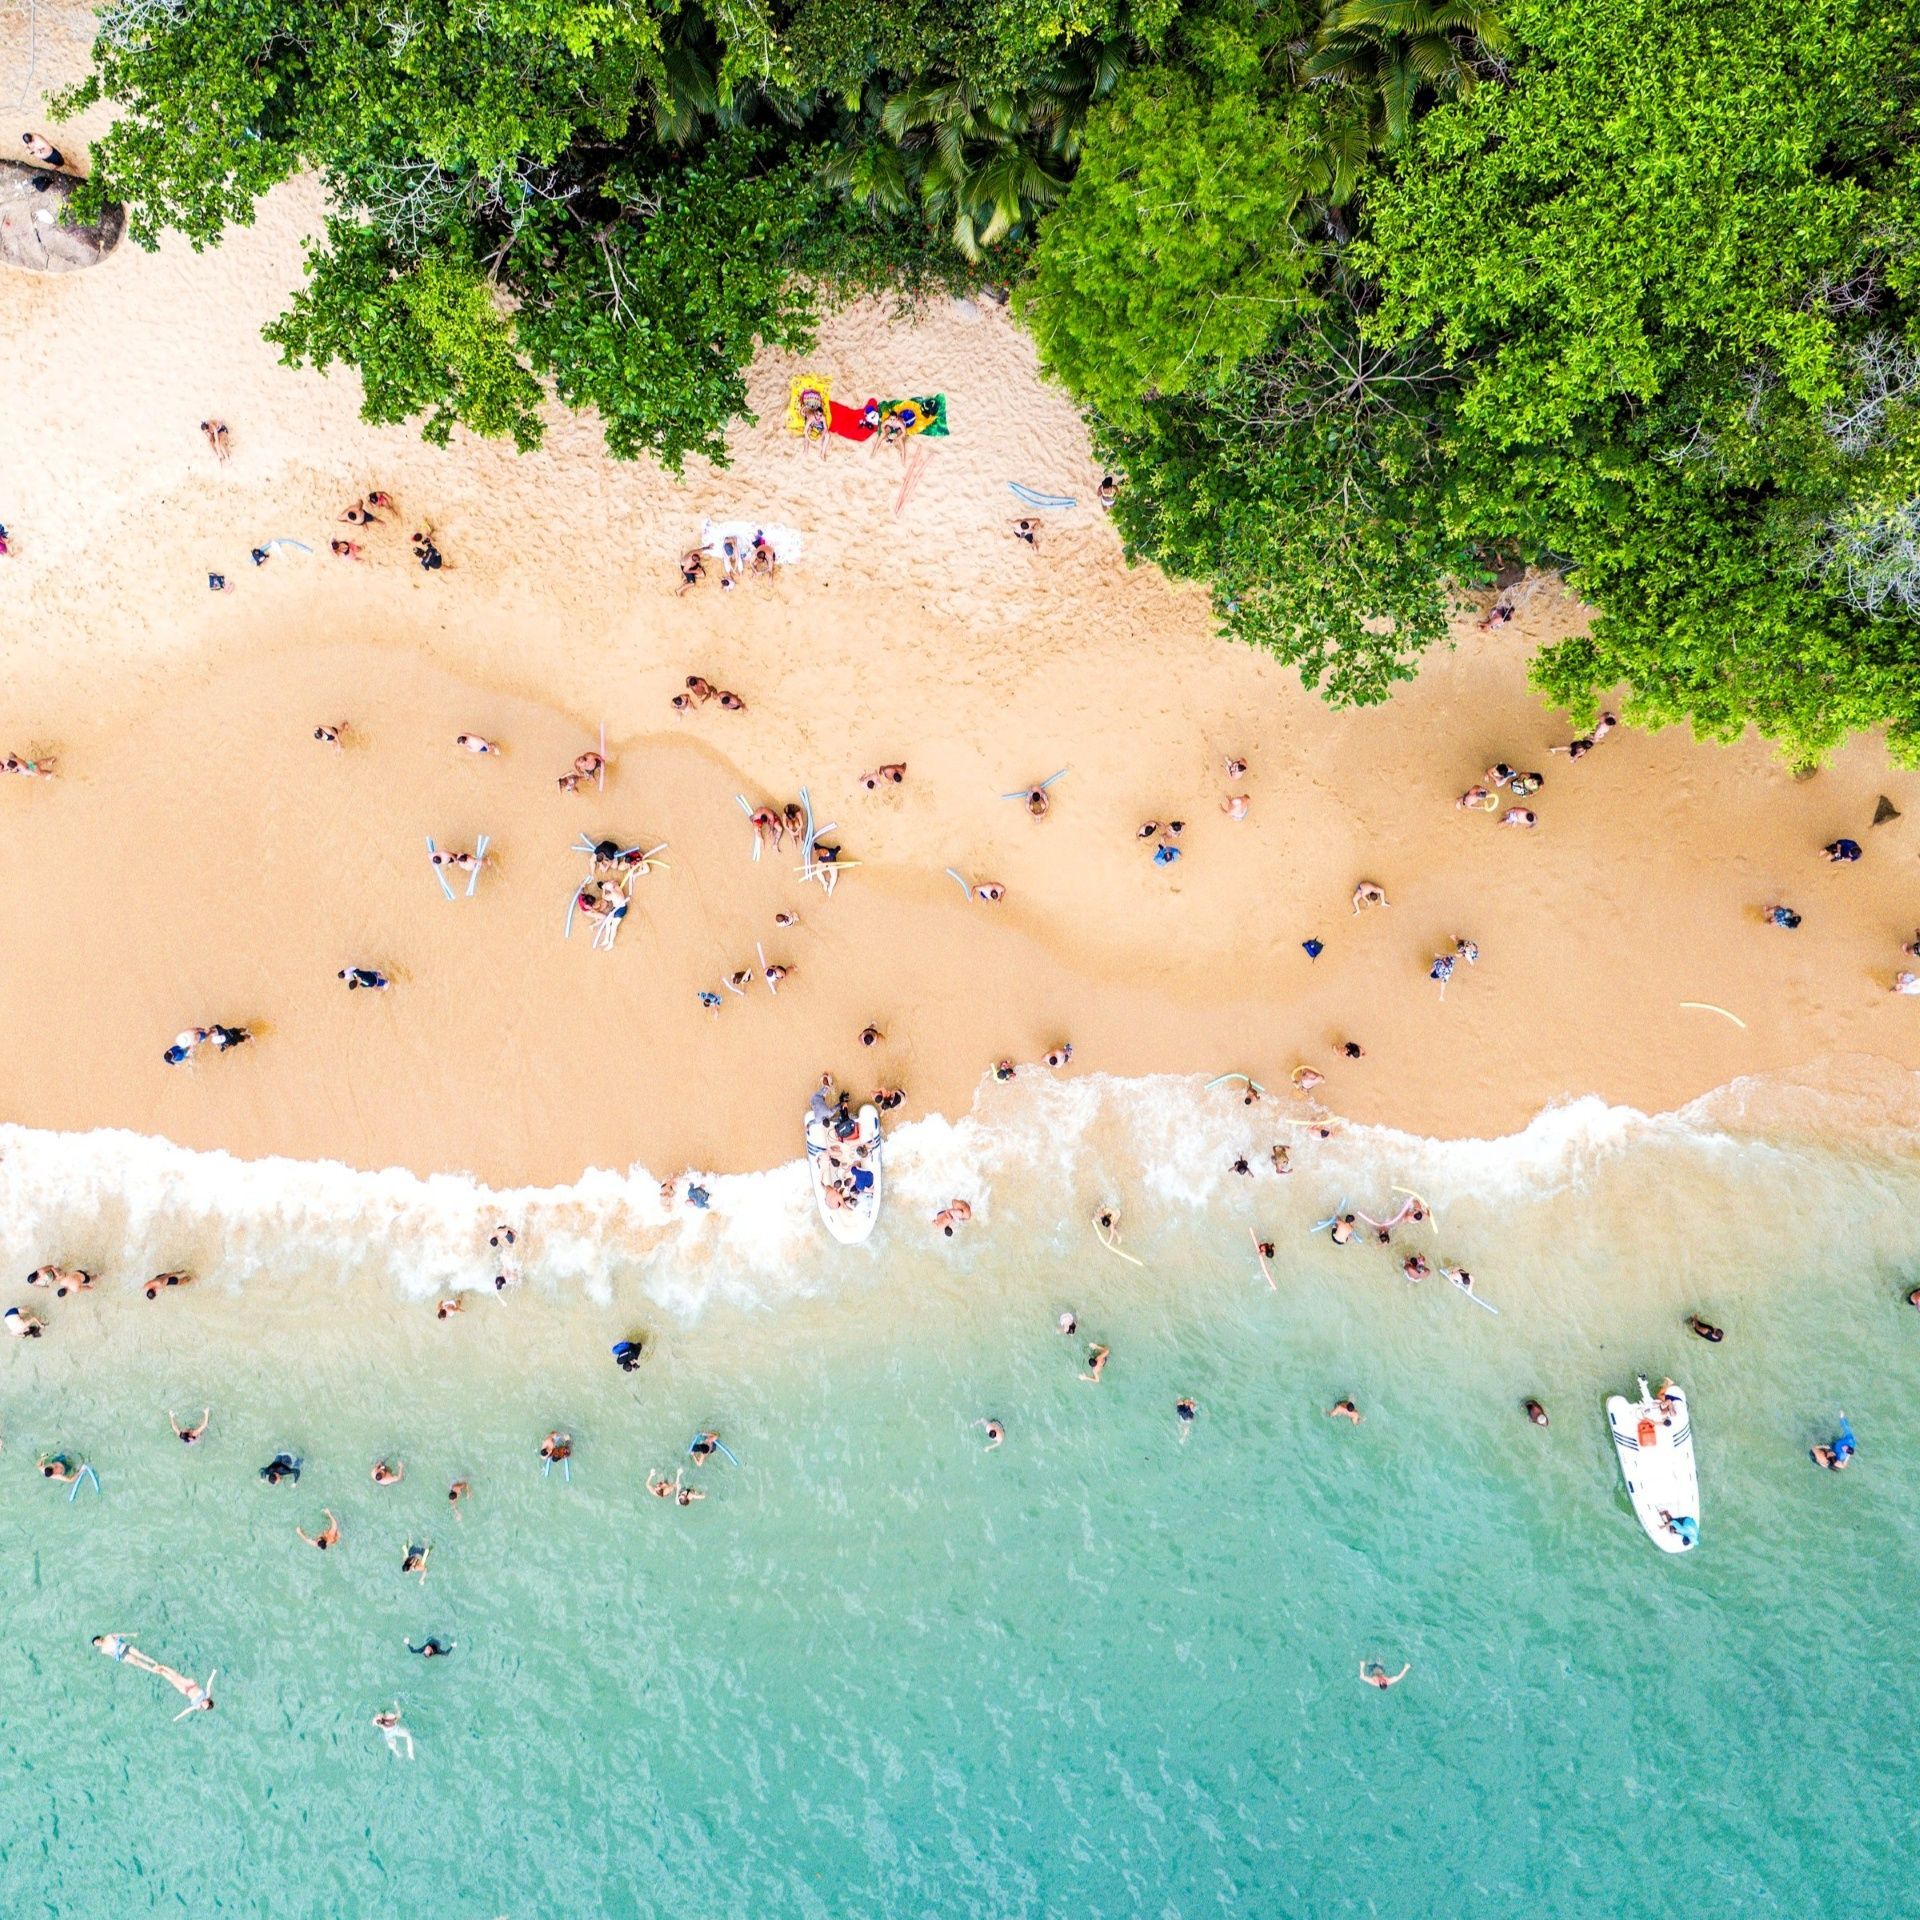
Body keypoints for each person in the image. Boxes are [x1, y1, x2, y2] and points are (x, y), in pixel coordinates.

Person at [27, 1265, 93, 1296]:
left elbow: (50, 1266)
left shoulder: (41, 1271)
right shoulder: (63, 1282)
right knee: (80, 1273)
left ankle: (88, 1273)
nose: (35, 1282)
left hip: (56, 1274)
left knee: (86, 1277)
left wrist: (57, 1273)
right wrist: (44, 1286)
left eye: (34, 1281)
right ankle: (86, 1272)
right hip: (57, 1277)